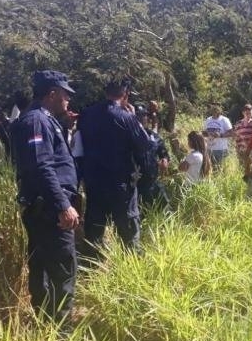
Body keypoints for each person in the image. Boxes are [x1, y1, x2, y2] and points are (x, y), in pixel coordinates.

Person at [10, 70, 80, 325]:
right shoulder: (37, 121)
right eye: (65, 95)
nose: (68, 100)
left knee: (43, 269)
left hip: (44, 208)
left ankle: (46, 325)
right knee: (62, 272)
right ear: (52, 94)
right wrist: (63, 205)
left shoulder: (43, 119)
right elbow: (42, 166)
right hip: (50, 211)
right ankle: (61, 334)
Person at [76, 79, 150, 258]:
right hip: (121, 183)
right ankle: (133, 266)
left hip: (94, 182)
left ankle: (92, 266)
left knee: (95, 227)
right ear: (126, 95)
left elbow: (78, 147)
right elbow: (143, 145)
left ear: (105, 92)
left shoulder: (86, 114)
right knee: (128, 228)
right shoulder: (126, 117)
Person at [135, 104, 170, 209]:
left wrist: (164, 159)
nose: (141, 118)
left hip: (152, 182)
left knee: (166, 210)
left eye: (144, 115)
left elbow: (164, 153)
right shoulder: (126, 137)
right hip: (134, 186)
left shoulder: (154, 137)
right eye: (138, 116)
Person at [202, 104, 232, 171]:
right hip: (209, 149)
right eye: (212, 108)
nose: (214, 109)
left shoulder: (224, 120)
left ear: (219, 110)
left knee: (220, 170)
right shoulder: (208, 119)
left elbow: (231, 133)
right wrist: (207, 134)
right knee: (210, 169)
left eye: (216, 108)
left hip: (221, 149)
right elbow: (203, 132)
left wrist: (220, 135)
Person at [233, 103, 252, 168]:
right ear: (243, 113)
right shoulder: (238, 124)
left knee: (250, 168)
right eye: (247, 113)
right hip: (241, 150)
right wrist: (236, 148)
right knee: (241, 168)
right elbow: (236, 137)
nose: (248, 115)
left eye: (250, 113)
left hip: (251, 151)